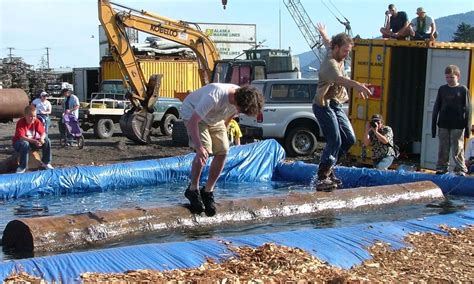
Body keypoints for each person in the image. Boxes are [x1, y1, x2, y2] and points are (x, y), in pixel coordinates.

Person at [181, 83, 264, 216]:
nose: (240, 112)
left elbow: (231, 115)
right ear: (237, 101)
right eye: (241, 110)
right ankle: (193, 189)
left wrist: (223, 131)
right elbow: (193, 122)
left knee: (224, 150)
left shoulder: (242, 98)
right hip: (193, 114)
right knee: (205, 151)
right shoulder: (215, 96)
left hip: (215, 119)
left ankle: (208, 191)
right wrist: (199, 146)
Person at [313, 25, 372, 191]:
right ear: (337, 48)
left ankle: (330, 168)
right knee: (335, 140)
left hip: (336, 104)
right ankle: (322, 176)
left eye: (349, 51)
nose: (347, 55)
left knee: (349, 139)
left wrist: (323, 32)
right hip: (323, 105)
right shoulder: (329, 64)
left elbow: (327, 42)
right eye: (345, 51)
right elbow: (341, 79)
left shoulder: (333, 50)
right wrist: (358, 85)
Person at [432, 65, 471, 176]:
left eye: (451, 77)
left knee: (457, 147)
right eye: (447, 77)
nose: (449, 79)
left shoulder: (463, 90)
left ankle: (461, 169)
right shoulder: (442, 89)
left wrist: (467, 128)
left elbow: (468, 109)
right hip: (443, 123)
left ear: (457, 76)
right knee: (443, 147)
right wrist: (433, 126)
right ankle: (441, 168)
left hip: (458, 124)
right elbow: (436, 107)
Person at [12, 105, 53, 173]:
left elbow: (43, 133)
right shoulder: (21, 122)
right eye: (31, 116)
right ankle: (22, 167)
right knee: (25, 143)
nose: (33, 118)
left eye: (34, 116)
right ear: (25, 115)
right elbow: (21, 137)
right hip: (19, 143)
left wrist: (42, 139)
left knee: (47, 140)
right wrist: (34, 141)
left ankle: (46, 162)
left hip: (31, 142)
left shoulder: (36, 121)